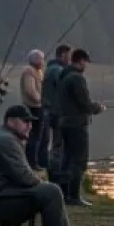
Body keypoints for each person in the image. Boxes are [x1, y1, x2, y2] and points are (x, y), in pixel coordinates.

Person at [55, 48, 104, 206]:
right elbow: (84, 103)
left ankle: (63, 193)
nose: (86, 66)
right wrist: (97, 108)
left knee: (67, 158)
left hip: (65, 122)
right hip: (77, 124)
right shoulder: (77, 78)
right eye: (85, 62)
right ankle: (74, 196)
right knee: (79, 160)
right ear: (80, 61)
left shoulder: (64, 75)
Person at [41, 43, 71, 184]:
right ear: (62, 55)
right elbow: (66, 89)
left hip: (49, 111)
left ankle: (53, 172)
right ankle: (56, 176)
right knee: (58, 145)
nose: (69, 59)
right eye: (68, 56)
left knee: (53, 144)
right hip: (58, 113)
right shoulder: (58, 70)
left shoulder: (49, 69)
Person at [19, 49, 46, 171]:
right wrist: (40, 100)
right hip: (33, 108)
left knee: (39, 136)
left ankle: (37, 161)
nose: (43, 62)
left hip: (38, 107)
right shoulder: (29, 71)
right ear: (36, 60)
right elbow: (30, 90)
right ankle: (31, 163)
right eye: (42, 59)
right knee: (33, 136)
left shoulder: (38, 71)